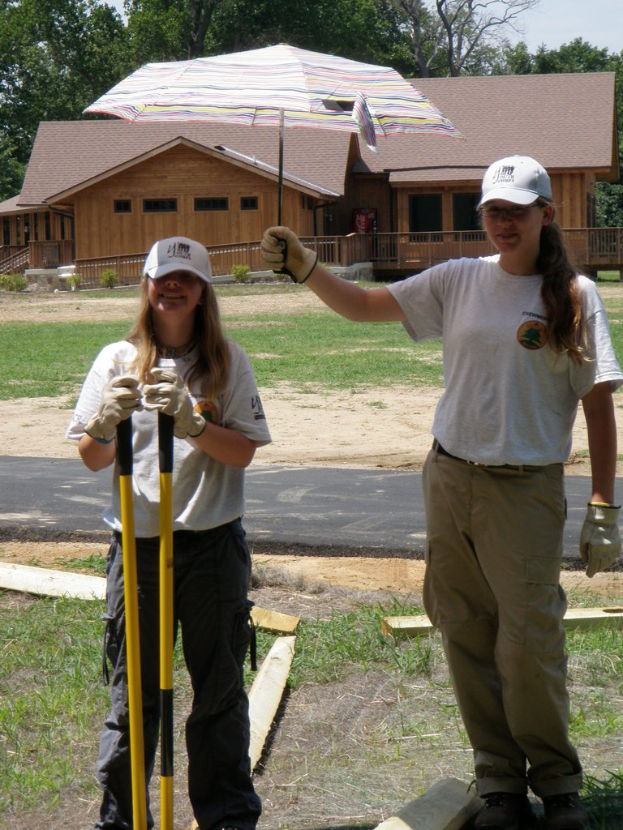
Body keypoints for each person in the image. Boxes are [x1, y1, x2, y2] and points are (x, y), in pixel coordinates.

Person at [261, 155, 622, 830]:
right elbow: (366, 306)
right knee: (464, 630)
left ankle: (558, 785)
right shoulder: (459, 279)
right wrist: (307, 268)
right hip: (450, 477)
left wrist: (603, 506)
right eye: (491, 210)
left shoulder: (574, 296)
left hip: (524, 491)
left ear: (546, 213)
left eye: (516, 210)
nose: (501, 222)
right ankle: (499, 786)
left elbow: (598, 405)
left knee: (527, 643)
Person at [67, 236, 270, 830]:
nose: (173, 287)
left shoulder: (227, 361)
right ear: (147, 287)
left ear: (204, 291)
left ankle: (227, 816)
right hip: (137, 545)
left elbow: (243, 454)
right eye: (162, 278)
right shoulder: (115, 359)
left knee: (219, 692)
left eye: (186, 278)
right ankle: (123, 819)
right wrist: (105, 422)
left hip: (210, 545)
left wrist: (193, 420)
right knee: (135, 697)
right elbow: (91, 457)